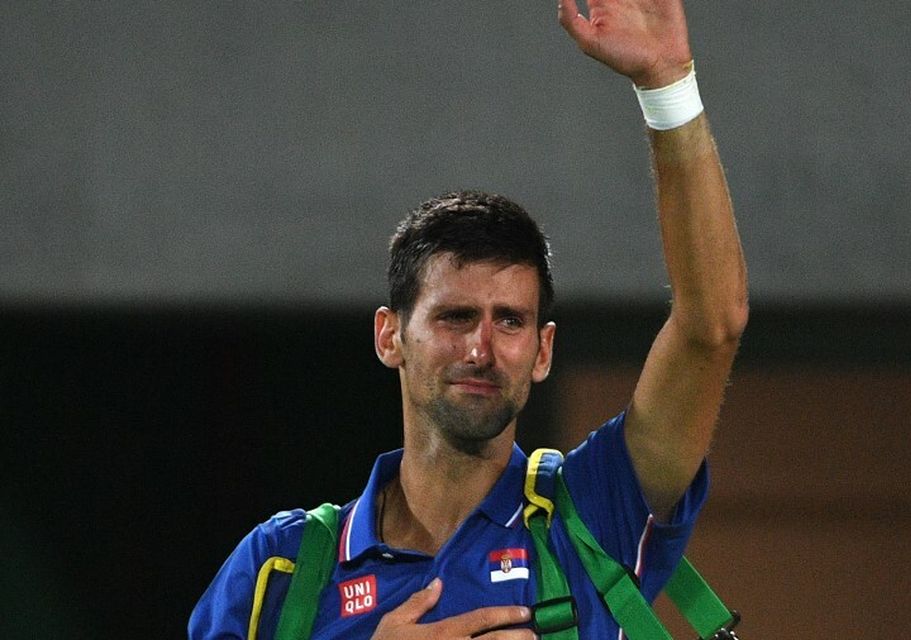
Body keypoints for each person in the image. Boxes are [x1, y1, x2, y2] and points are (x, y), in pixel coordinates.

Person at [189, 0, 746, 637]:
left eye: (510, 321)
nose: (481, 348)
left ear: (542, 350)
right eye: (455, 317)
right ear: (390, 336)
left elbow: (711, 328)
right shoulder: (278, 569)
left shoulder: (597, 511)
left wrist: (667, 87)